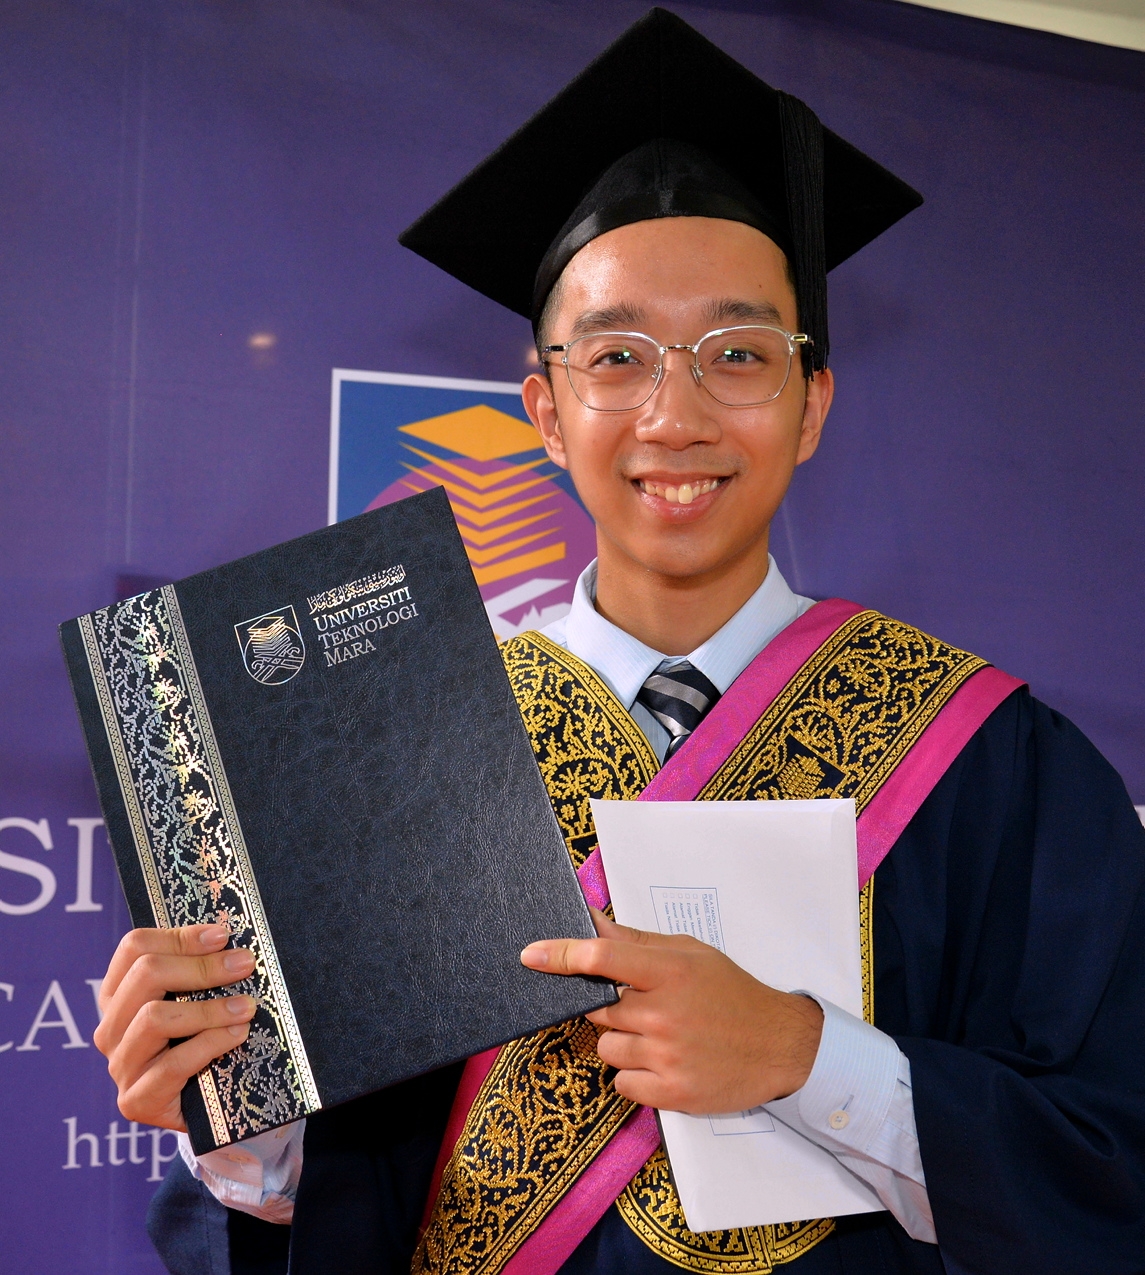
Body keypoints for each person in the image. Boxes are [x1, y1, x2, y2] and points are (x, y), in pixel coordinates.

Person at [93, 10, 1145, 1275]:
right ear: (544, 409)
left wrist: (805, 1058)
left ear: (810, 403)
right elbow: (337, 1203)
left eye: (738, 354)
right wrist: (235, 1123)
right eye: (615, 356)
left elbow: (1109, 1167)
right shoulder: (404, 745)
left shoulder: (992, 765)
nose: (673, 413)